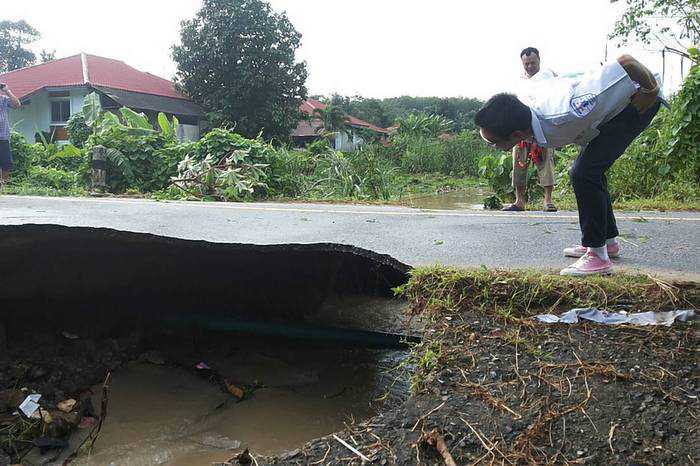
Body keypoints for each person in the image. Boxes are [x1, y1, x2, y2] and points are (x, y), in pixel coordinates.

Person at [474, 55, 661, 276]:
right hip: (609, 112)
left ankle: (597, 256)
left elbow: (627, 62)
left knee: (584, 173)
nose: (494, 147)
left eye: (495, 143)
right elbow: (547, 75)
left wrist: (651, 91)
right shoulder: (527, 98)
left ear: (516, 134)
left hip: (637, 100)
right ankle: (606, 242)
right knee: (590, 169)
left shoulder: (569, 110)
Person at [503, 47, 558, 212]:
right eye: (526, 64)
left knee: (546, 162)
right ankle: (519, 201)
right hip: (521, 129)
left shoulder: (549, 77)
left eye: (533, 63)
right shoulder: (519, 82)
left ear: (539, 60)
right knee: (519, 164)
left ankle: (548, 201)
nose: (529, 66)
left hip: (542, 126)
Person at [0, 83, 22, 186]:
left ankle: (4, 187)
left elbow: (17, 104)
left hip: (3, 137)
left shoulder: (3, 99)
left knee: (6, 164)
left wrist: (7, 91)